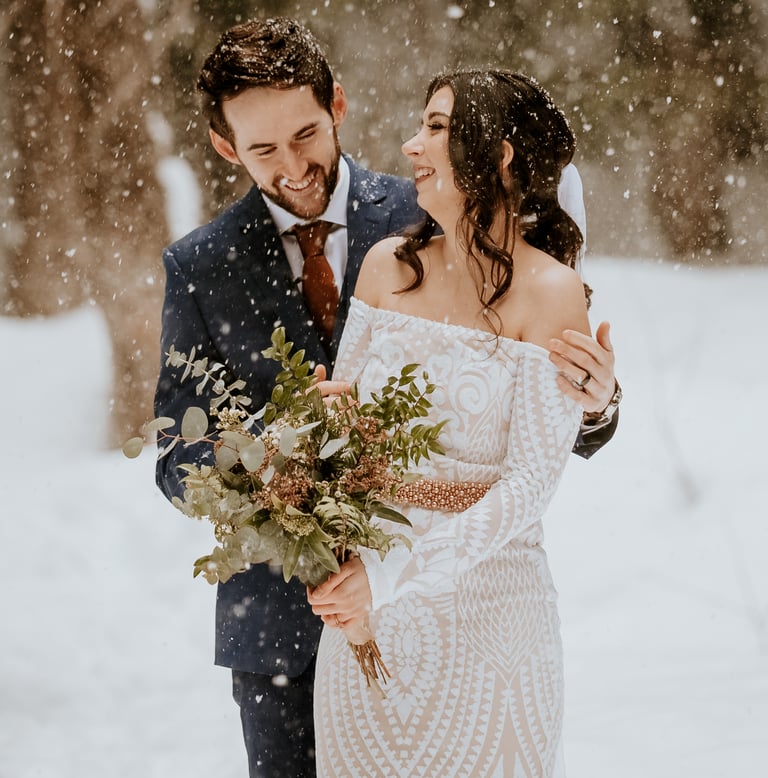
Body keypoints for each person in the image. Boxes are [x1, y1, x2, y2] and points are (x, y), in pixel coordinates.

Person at [153, 17, 619, 777]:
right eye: (263, 150)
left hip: (469, 609)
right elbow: (177, 451)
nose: (293, 165)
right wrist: (274, 458)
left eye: (305, 133)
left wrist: (597, 403)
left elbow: (534, 415)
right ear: (225, 148)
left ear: (336, 104)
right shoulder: (200, 267)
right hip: (282, 628)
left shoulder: (435, 208)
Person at [307, 69, 595, 776]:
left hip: (491, 628)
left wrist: (393, 570)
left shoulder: (551, 293)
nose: (412, 145)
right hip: (366, 625)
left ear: (497, 156)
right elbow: (343, 430)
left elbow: (528, 485)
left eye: (435, 126)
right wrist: (318, 436)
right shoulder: (382, 269)